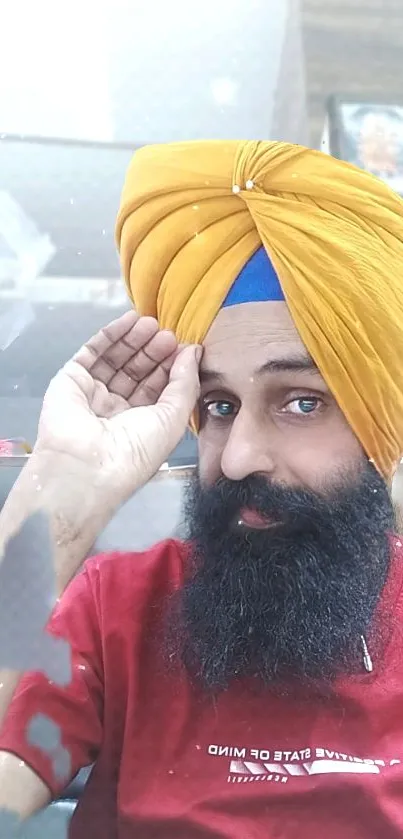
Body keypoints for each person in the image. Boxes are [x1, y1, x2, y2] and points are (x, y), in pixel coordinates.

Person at [1, 140, 403, 838]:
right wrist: (59, 501)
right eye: (218, 405)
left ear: (381, 424)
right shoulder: (119, 615)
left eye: (300, 401)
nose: (239, 454)